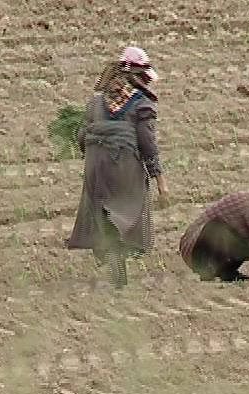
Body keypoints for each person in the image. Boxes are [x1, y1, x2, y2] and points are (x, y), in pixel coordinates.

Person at [67, 46, 168, 288]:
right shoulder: (141, 104)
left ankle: (110, 251)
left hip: (94, 164)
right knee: (130, 208)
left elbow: (80, 137)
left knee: (103, 209)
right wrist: (161, 184)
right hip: (122, 163)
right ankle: (121, 249)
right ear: (140, 76)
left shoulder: (96, 102)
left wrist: (95, 157)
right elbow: (148, 145)